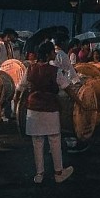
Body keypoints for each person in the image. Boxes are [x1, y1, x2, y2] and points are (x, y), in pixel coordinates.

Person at [14, 41, 75, 184]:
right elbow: (67, 88)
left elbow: (20, 88)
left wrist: (16, 103)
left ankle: (39, 174)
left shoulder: (30, 69)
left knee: (37, 141)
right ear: (48, 54)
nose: (55, 53)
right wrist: (79, 101)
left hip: (33, 109)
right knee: (54, 140)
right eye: (53, 52)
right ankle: (59, 173)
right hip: (50, 108)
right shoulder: (55, 71)